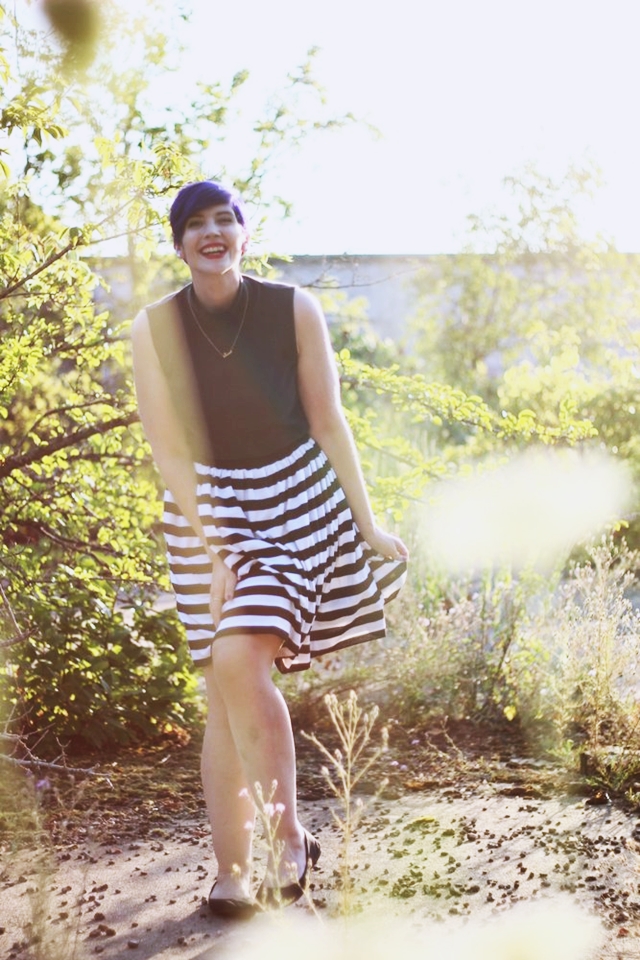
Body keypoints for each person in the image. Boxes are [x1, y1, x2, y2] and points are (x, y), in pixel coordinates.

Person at [131, 180, 408, 918]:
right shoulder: (153, 327)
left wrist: (368, 522)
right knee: (224, 695)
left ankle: (286, 837)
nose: (213, 232)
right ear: (180, 244)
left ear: (245, 236)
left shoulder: (293, 309)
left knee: (238, 657)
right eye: (196, 224)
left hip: (296, 503)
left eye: (226, 219)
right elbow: (167, 450)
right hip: (204, 507)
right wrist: (216, 545)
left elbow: (330, 424)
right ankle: (230, 872)